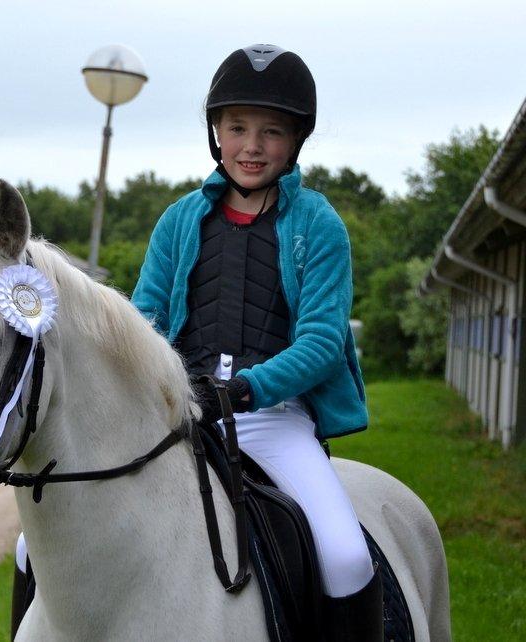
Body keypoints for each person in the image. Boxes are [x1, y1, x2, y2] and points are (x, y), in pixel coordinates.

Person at [131, 44, 382, 641]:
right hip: (180, 413)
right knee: (28, 547)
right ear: (216, 131)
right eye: (237, 127)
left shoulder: (319, 225)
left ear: (295, 140)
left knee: (346, 556)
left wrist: (249, 388)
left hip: (272, 417)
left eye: (271, 132)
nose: (251, 145)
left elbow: (322, 341)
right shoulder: (177, 219)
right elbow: (144, 320)